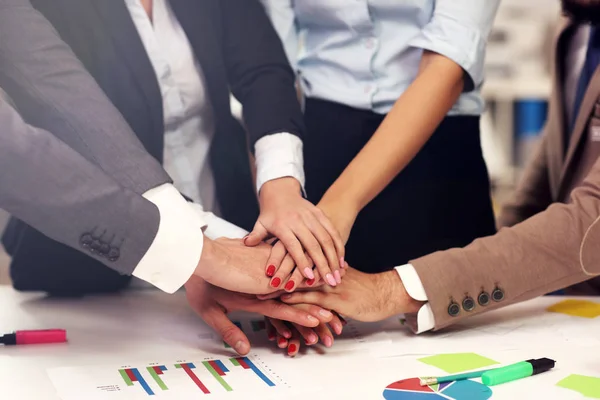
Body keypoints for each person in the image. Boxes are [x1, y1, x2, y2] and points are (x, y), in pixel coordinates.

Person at [0, 0, 334, 355]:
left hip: (213, 228)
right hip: (92, 273)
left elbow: (63, 91)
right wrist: (202, 254)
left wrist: (277, 192)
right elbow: (24, 148)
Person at [274, 0, 600, 335]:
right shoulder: (576, 31)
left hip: (437, 171)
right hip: (317, 146)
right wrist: (486, 264)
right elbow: (553, 169)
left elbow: (592, 222)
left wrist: (389, 291)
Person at [256, 1, 501, 287]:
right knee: (313, 313)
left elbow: (449, 61)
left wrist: (336, 210)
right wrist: (276, 196)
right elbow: (269, 71)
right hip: (317, 146)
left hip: (434, 150)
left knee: (452, 304)